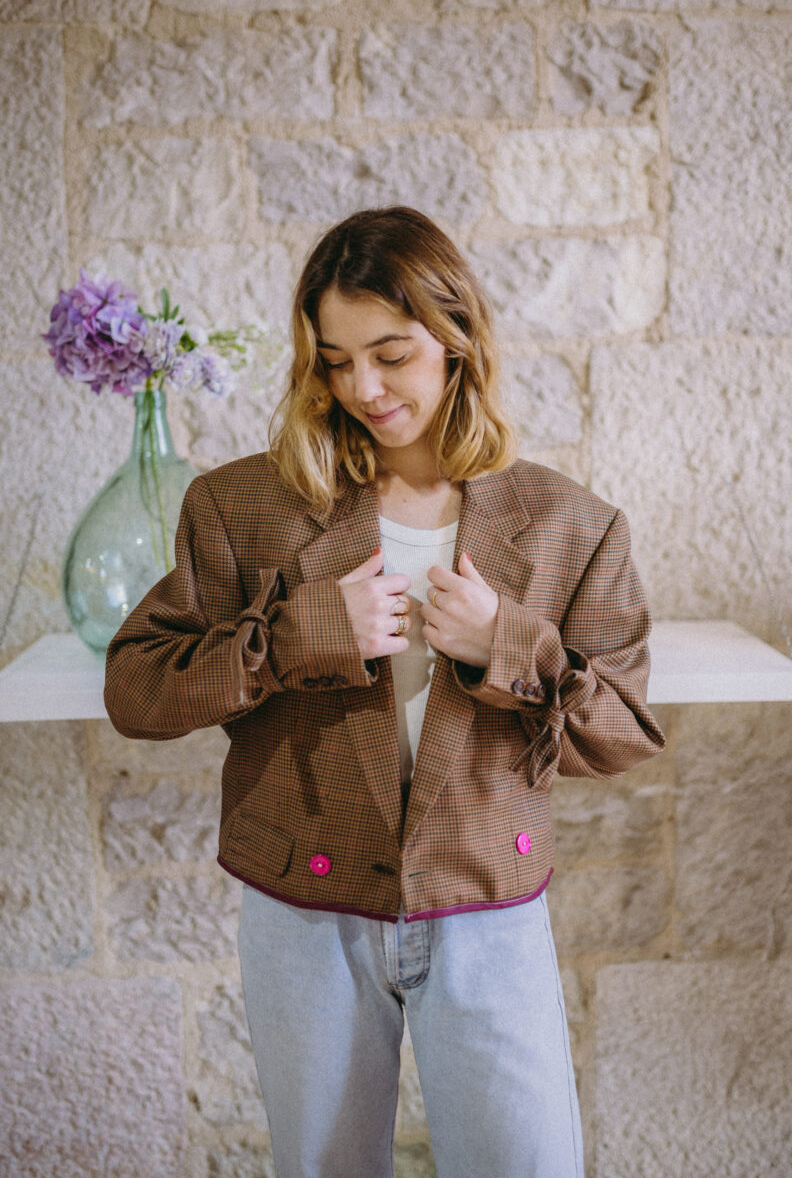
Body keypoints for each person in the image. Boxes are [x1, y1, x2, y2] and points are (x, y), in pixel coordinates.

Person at [104, 206, 665, 1178]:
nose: (360, 386)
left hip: (486, 907)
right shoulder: (240, 506)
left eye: (389, 355)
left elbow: (620, 733)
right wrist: (294, 635)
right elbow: (136, 688)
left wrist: (506, 641)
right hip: (302, 913)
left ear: (455, 341)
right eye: (332, 360)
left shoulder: (573, 525)